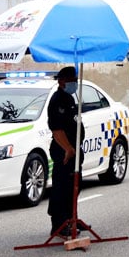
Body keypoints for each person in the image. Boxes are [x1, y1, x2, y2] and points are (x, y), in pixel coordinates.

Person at [47, 66, 85, 238]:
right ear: (61, 81)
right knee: (61, 189)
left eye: (75, 80)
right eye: (71, 80)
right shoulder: (57, 100)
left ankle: (72, 219)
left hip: (74, 152)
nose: (74, 83)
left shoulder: (69, 98)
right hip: (64, 152)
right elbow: (57, 129)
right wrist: (68, 149)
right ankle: (59, 224)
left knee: (74, 187)